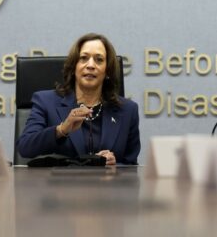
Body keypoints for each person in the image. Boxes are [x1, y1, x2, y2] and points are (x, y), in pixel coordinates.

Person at [16, 33, 140, 165]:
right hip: (60, 185)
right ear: (74, 66)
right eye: (84, 58)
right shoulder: (45, 101)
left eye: (99, 60)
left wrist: (115, 164)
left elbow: (130, 165)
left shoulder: (128, 110)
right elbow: (25, 147)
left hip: (107, 184)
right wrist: (62, 130)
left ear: (107, 70)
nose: (91, 65)